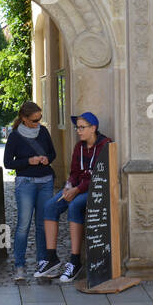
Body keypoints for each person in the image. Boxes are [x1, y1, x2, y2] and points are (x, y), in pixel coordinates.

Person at [38, 111, 109, 283]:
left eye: (82, 127)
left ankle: (75, 261)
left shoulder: (106, 145)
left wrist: (76, 189)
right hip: (77, 188)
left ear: (93, 128)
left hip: (96, 189)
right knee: (49, 206)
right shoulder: (79, 147)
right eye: (77, 127)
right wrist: (69, 185)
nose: (78, 131)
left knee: (75, 205)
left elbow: (99, 174)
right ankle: (51, 257)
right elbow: (75, 172)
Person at [2, 101, 57, 282]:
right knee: (23, 226)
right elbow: (8, 163)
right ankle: (20, 265)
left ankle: (43, 263)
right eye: (34, 120)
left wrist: (46, 159)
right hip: (25, 183)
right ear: (24, 119)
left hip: (46, 182)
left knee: (42, 224)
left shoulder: (43, 132)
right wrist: (28, 161)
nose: (38, 123)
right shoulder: (15, 137)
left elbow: (53, 154)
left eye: (40, 119)